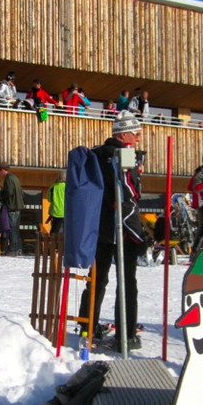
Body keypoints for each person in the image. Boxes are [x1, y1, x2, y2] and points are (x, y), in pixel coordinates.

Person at [76, 111, 147, 351]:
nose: (137, 139)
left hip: (98, 227)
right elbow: (128, 194)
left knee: (97, 280)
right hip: (122, 228)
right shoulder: (124, 154)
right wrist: (137, 232)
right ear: (124, 134)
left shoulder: (96, 154)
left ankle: (87, 328)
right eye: (136, 134)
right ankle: (126, 335)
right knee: (127, 282)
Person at [0, 162, 24, 255]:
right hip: (17, 206)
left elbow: (9, 192)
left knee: (12, 229)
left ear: (3, 170)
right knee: (16, 229)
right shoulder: (15, 178)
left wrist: (1, 195)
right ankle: (18, 249)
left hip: (12, 206)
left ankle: (13, 249)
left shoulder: (8, 178)